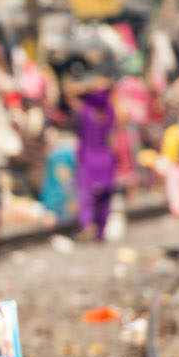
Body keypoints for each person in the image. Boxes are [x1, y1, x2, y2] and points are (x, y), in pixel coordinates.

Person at [66, 77, 116, 241]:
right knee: (104, 199)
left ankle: (87, 226)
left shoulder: (85, 111)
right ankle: (101, 232)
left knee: (86, 195)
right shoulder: (110, 111)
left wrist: (86, 86)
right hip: (106, 159)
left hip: (88, 158)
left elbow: (69, 92)